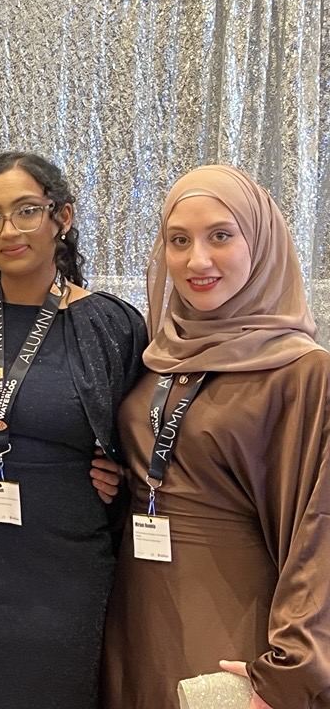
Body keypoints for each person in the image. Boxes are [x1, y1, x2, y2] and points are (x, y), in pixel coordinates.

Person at [0, 152, 147, 709]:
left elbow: (142, 435)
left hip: (61, 584)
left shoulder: (109, 324)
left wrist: (121, 473)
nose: (8, 230)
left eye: (26, 211)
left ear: (62, 218)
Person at [98, 165, 330, 708]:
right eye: (179, 241)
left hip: (233, 628)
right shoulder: (159, 356)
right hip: (134, 616)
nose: (197, 260)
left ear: (262, 243)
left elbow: (320, 532)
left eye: (221, 236)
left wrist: (293, 669)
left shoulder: (302, 372)